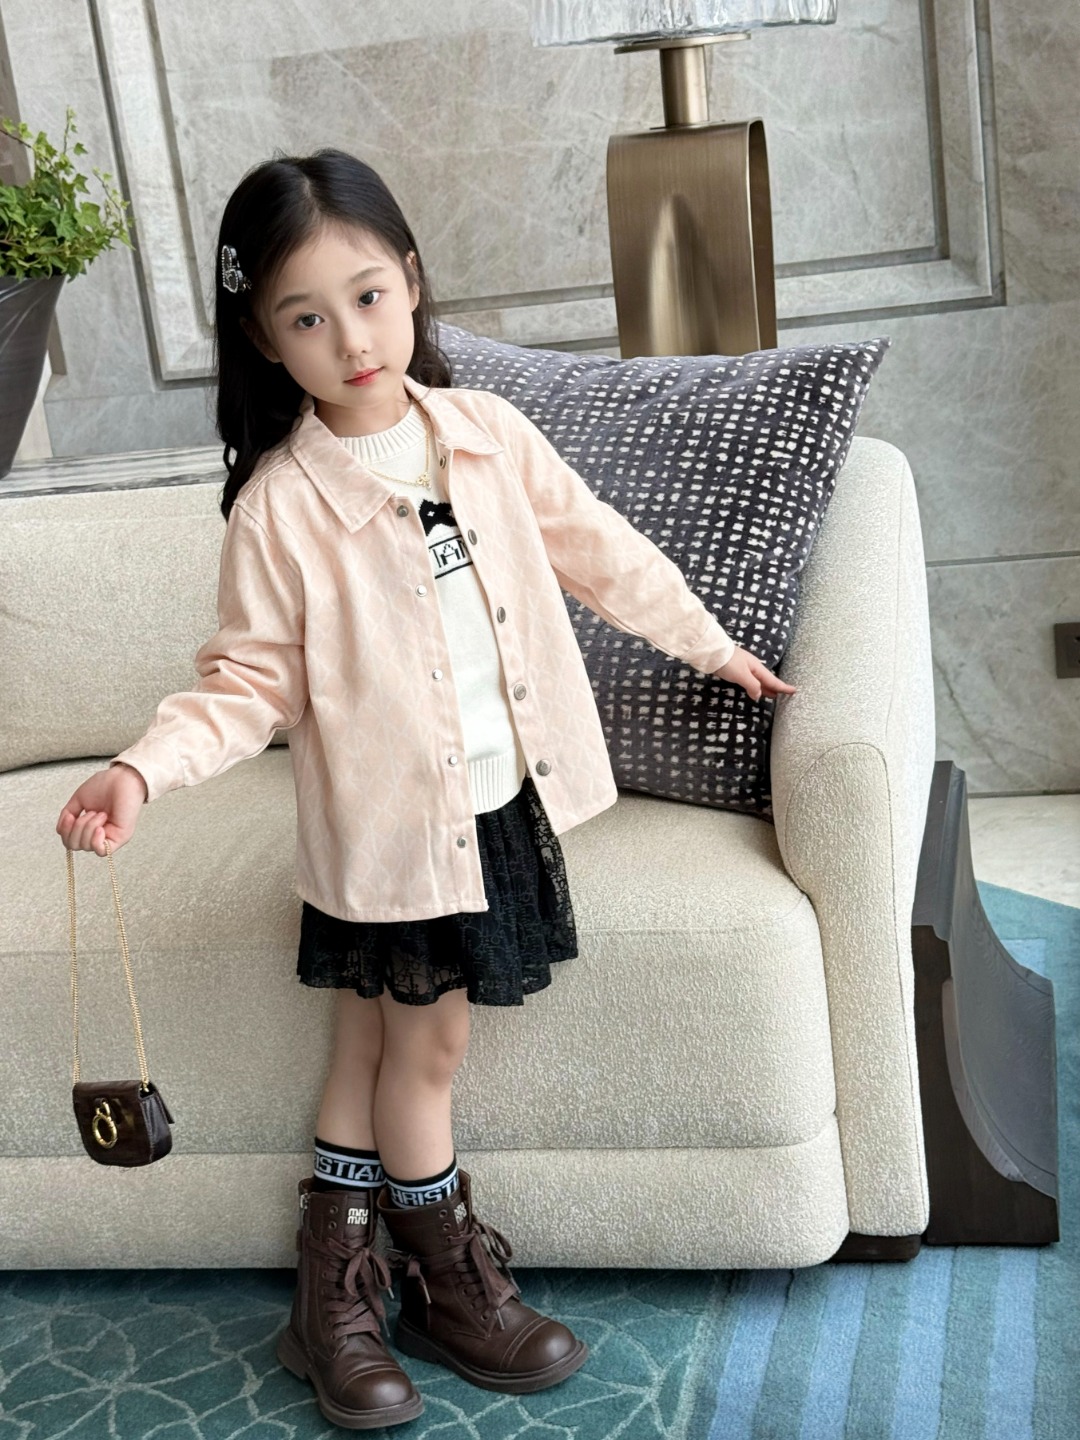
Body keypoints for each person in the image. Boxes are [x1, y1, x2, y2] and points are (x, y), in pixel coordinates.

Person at [55, 147, 797, 1429]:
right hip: (391, 835)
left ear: (409, 280)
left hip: (493, 812)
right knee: (428, 1050)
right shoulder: (279, 509)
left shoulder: (487, 435)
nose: (350, 339)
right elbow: (243, 683)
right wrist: (138, 770)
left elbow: (600, 550)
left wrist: (708, 642)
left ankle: (331, 1301)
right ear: (264, 338)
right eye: (305, 317)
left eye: (367, 297)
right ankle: (452, 1281)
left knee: (369, 1043)